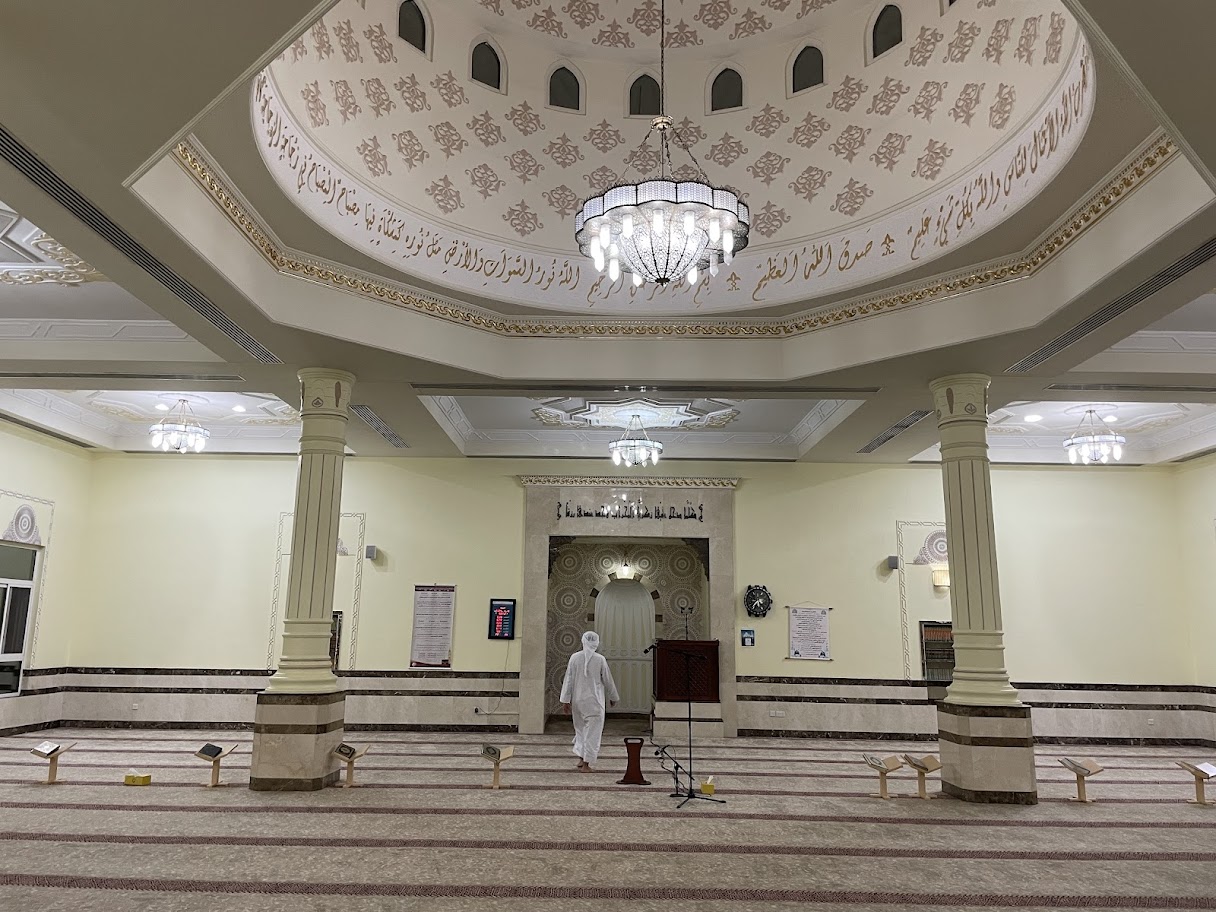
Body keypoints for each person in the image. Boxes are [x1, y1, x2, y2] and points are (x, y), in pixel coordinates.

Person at [560, 631, 619, 772]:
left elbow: (568, 680)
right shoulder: (600, 659)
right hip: (594, 702)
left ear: (583, 641)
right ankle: (586, 765)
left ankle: (581, 759)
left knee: (581, 731)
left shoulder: (574, 658)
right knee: (592, 733)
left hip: (578, 701)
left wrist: (565, 700)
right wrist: (614, 697)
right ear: (596, 643)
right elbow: (608, 680)